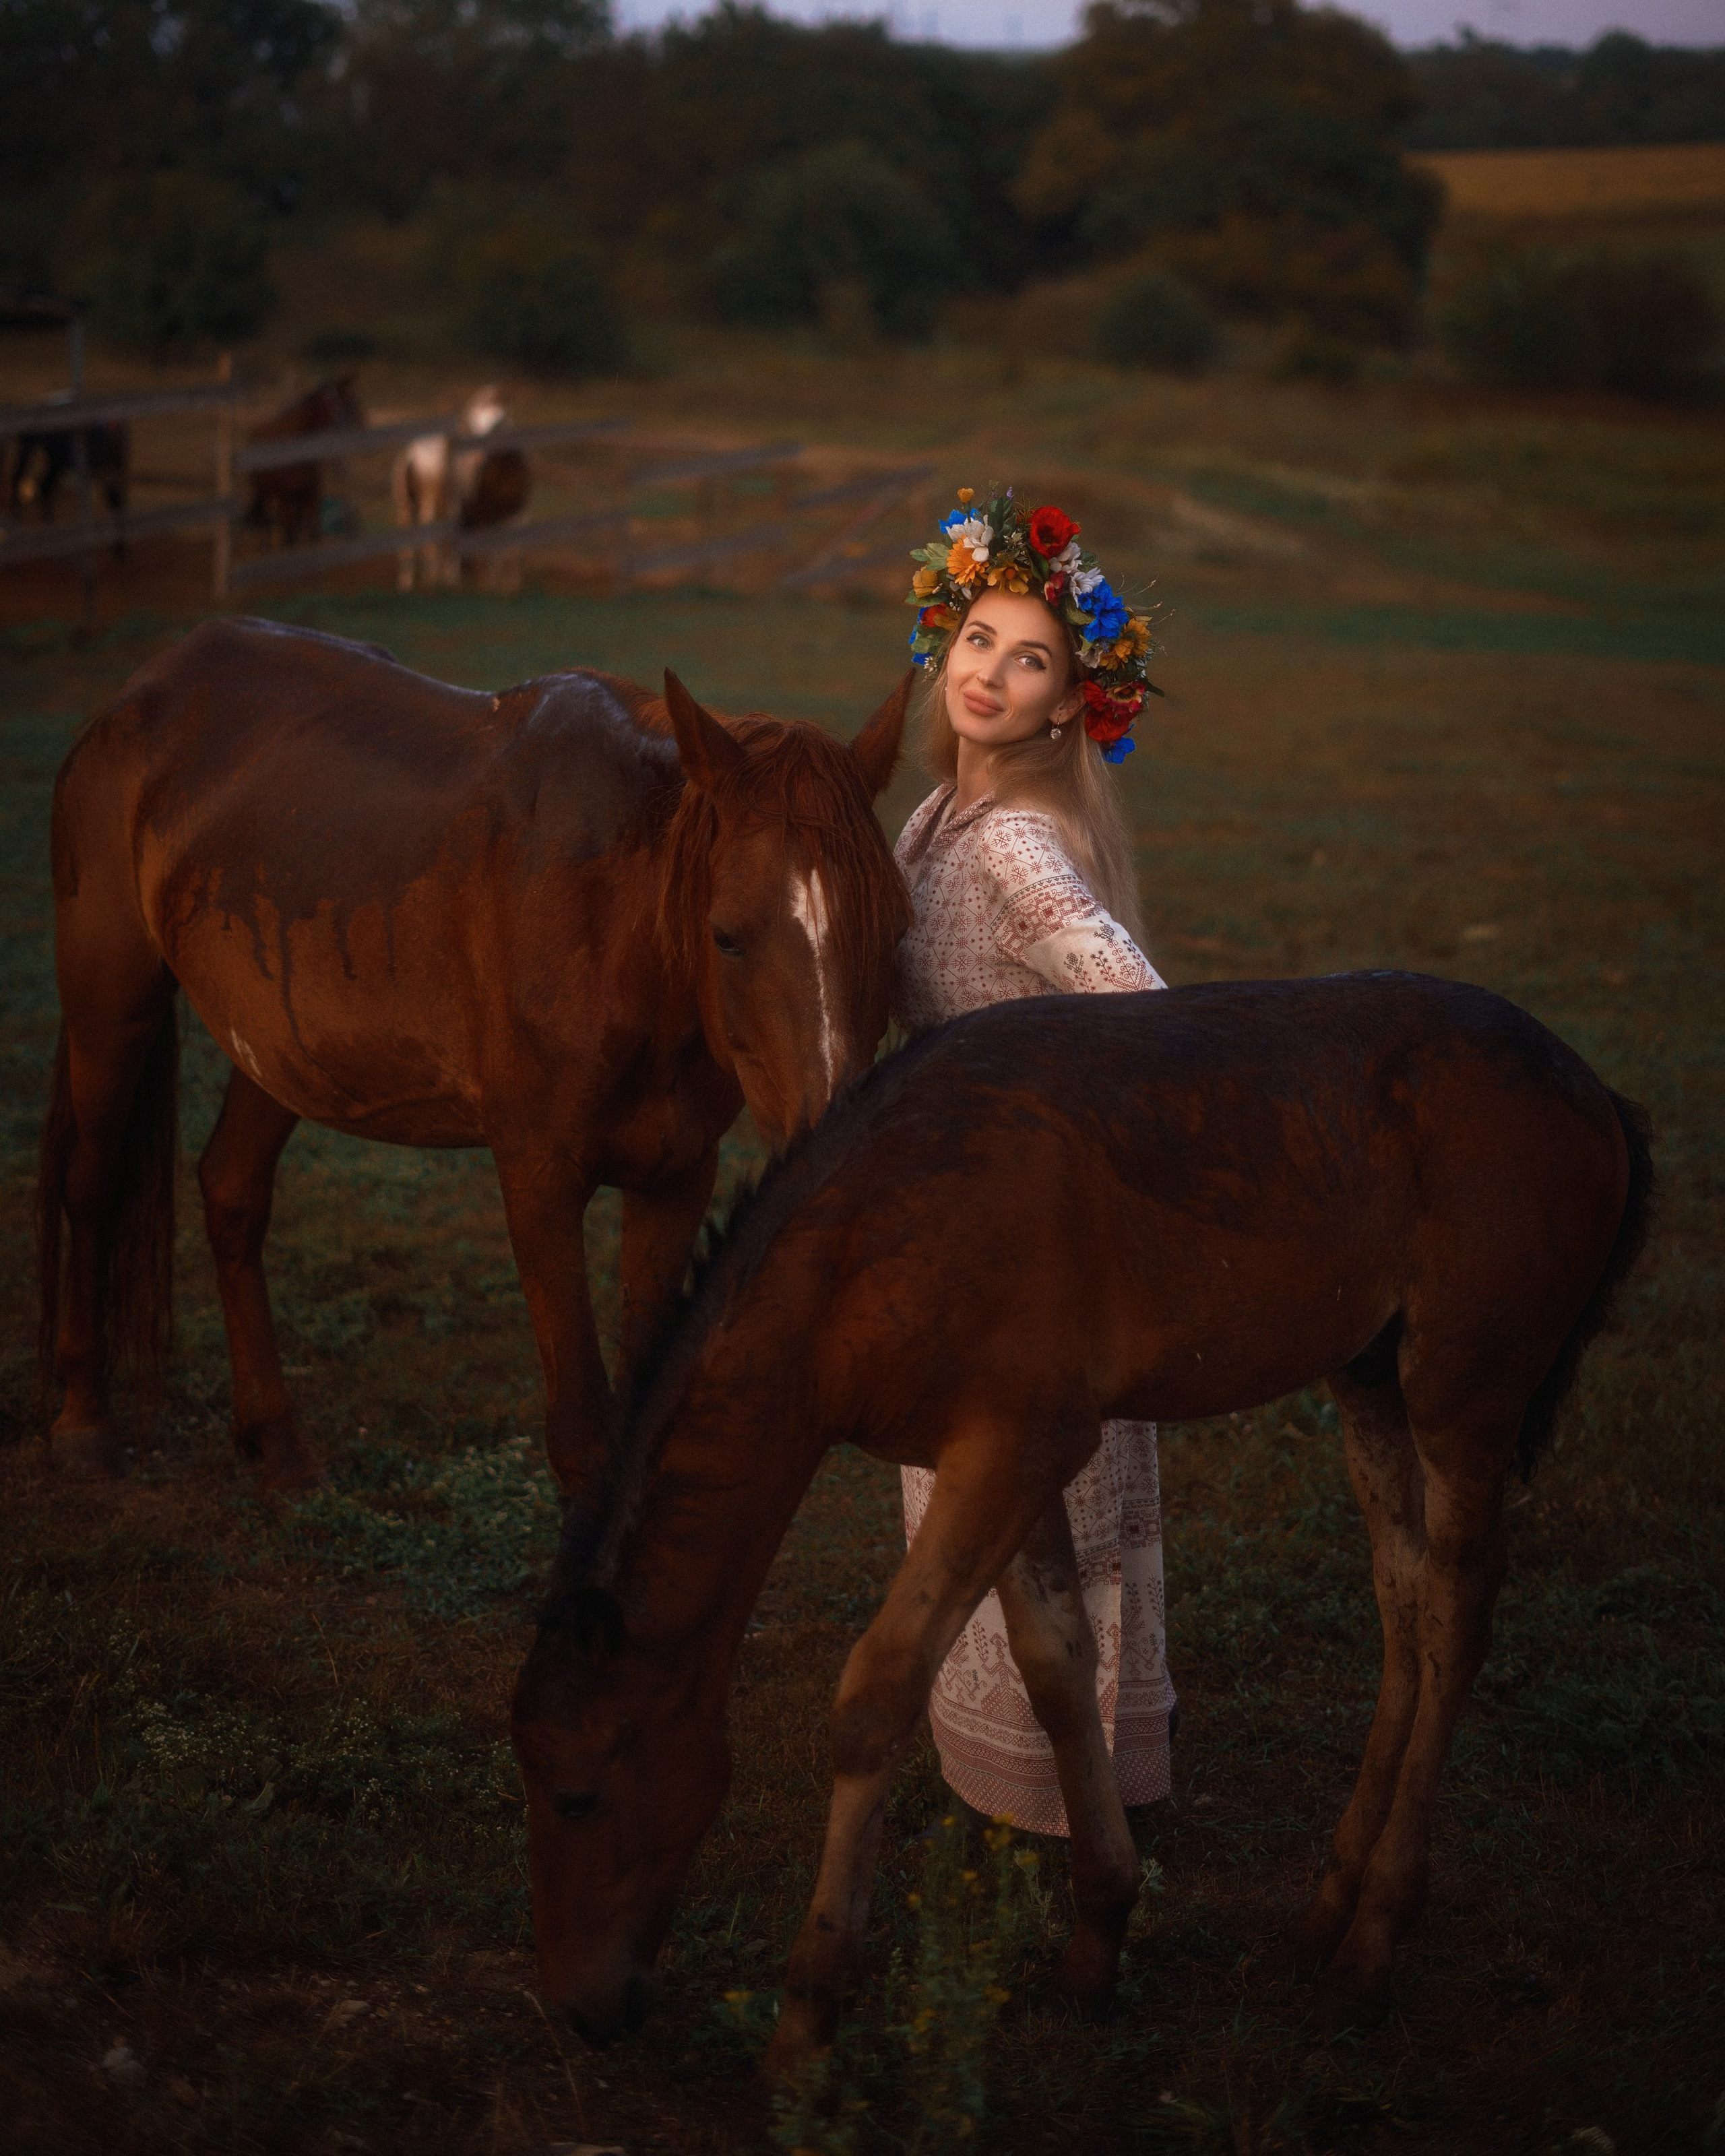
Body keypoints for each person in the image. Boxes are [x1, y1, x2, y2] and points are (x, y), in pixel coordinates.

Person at [893, 486, 1176, 1836]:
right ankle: (994, 1771)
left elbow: (1140, 1016)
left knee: (1043, 1507)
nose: (990, 674)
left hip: (1029, 1245)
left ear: (1070, 704)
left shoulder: (1007, 844)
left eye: (1029, 660)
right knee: (966, 1504)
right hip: (957, 1232)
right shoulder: (930, 821)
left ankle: (1069, 1803)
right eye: (975, 642)